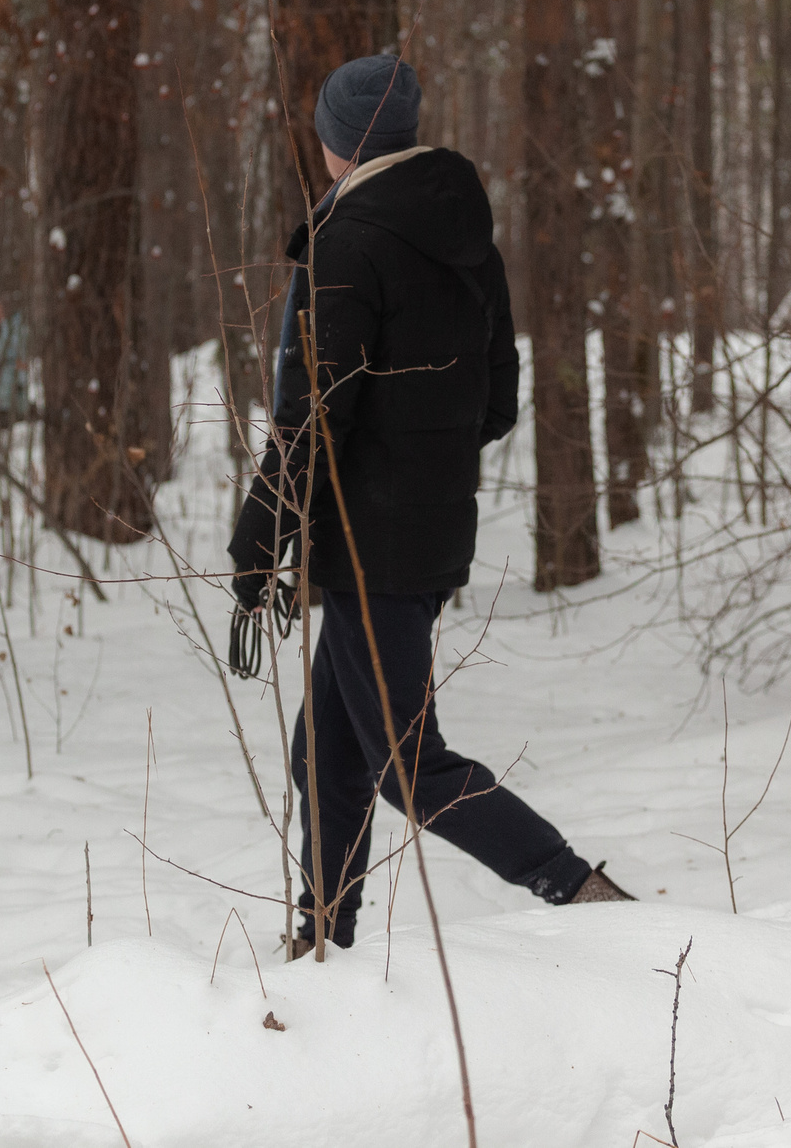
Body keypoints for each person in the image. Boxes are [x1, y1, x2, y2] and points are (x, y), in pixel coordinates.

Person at [229, 54, 631, 960]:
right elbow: (495, 404)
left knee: (410, 766)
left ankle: (578, 887)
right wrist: (418, 463)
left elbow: (312, 414)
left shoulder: (348, 242)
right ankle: (321, 944)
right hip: (420, 534)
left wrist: (260, 535)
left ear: (335, 141)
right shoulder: (465, 236)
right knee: (323, 754)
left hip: (370, 546)